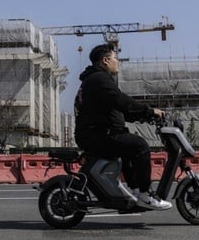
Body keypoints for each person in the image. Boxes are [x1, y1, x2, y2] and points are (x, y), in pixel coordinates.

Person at [73, 43, 172, 210]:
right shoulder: (99, 79)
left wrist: (146, 116)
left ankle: (134, 192)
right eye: (115, 58)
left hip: (94, 133)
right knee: (140, 146)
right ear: (105, 60)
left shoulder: (94, 79)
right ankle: (145, 195)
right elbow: (121, 101)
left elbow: (121, 109)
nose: (117, 62)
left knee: (128, 146)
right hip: (96, 135)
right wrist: (149, 111)